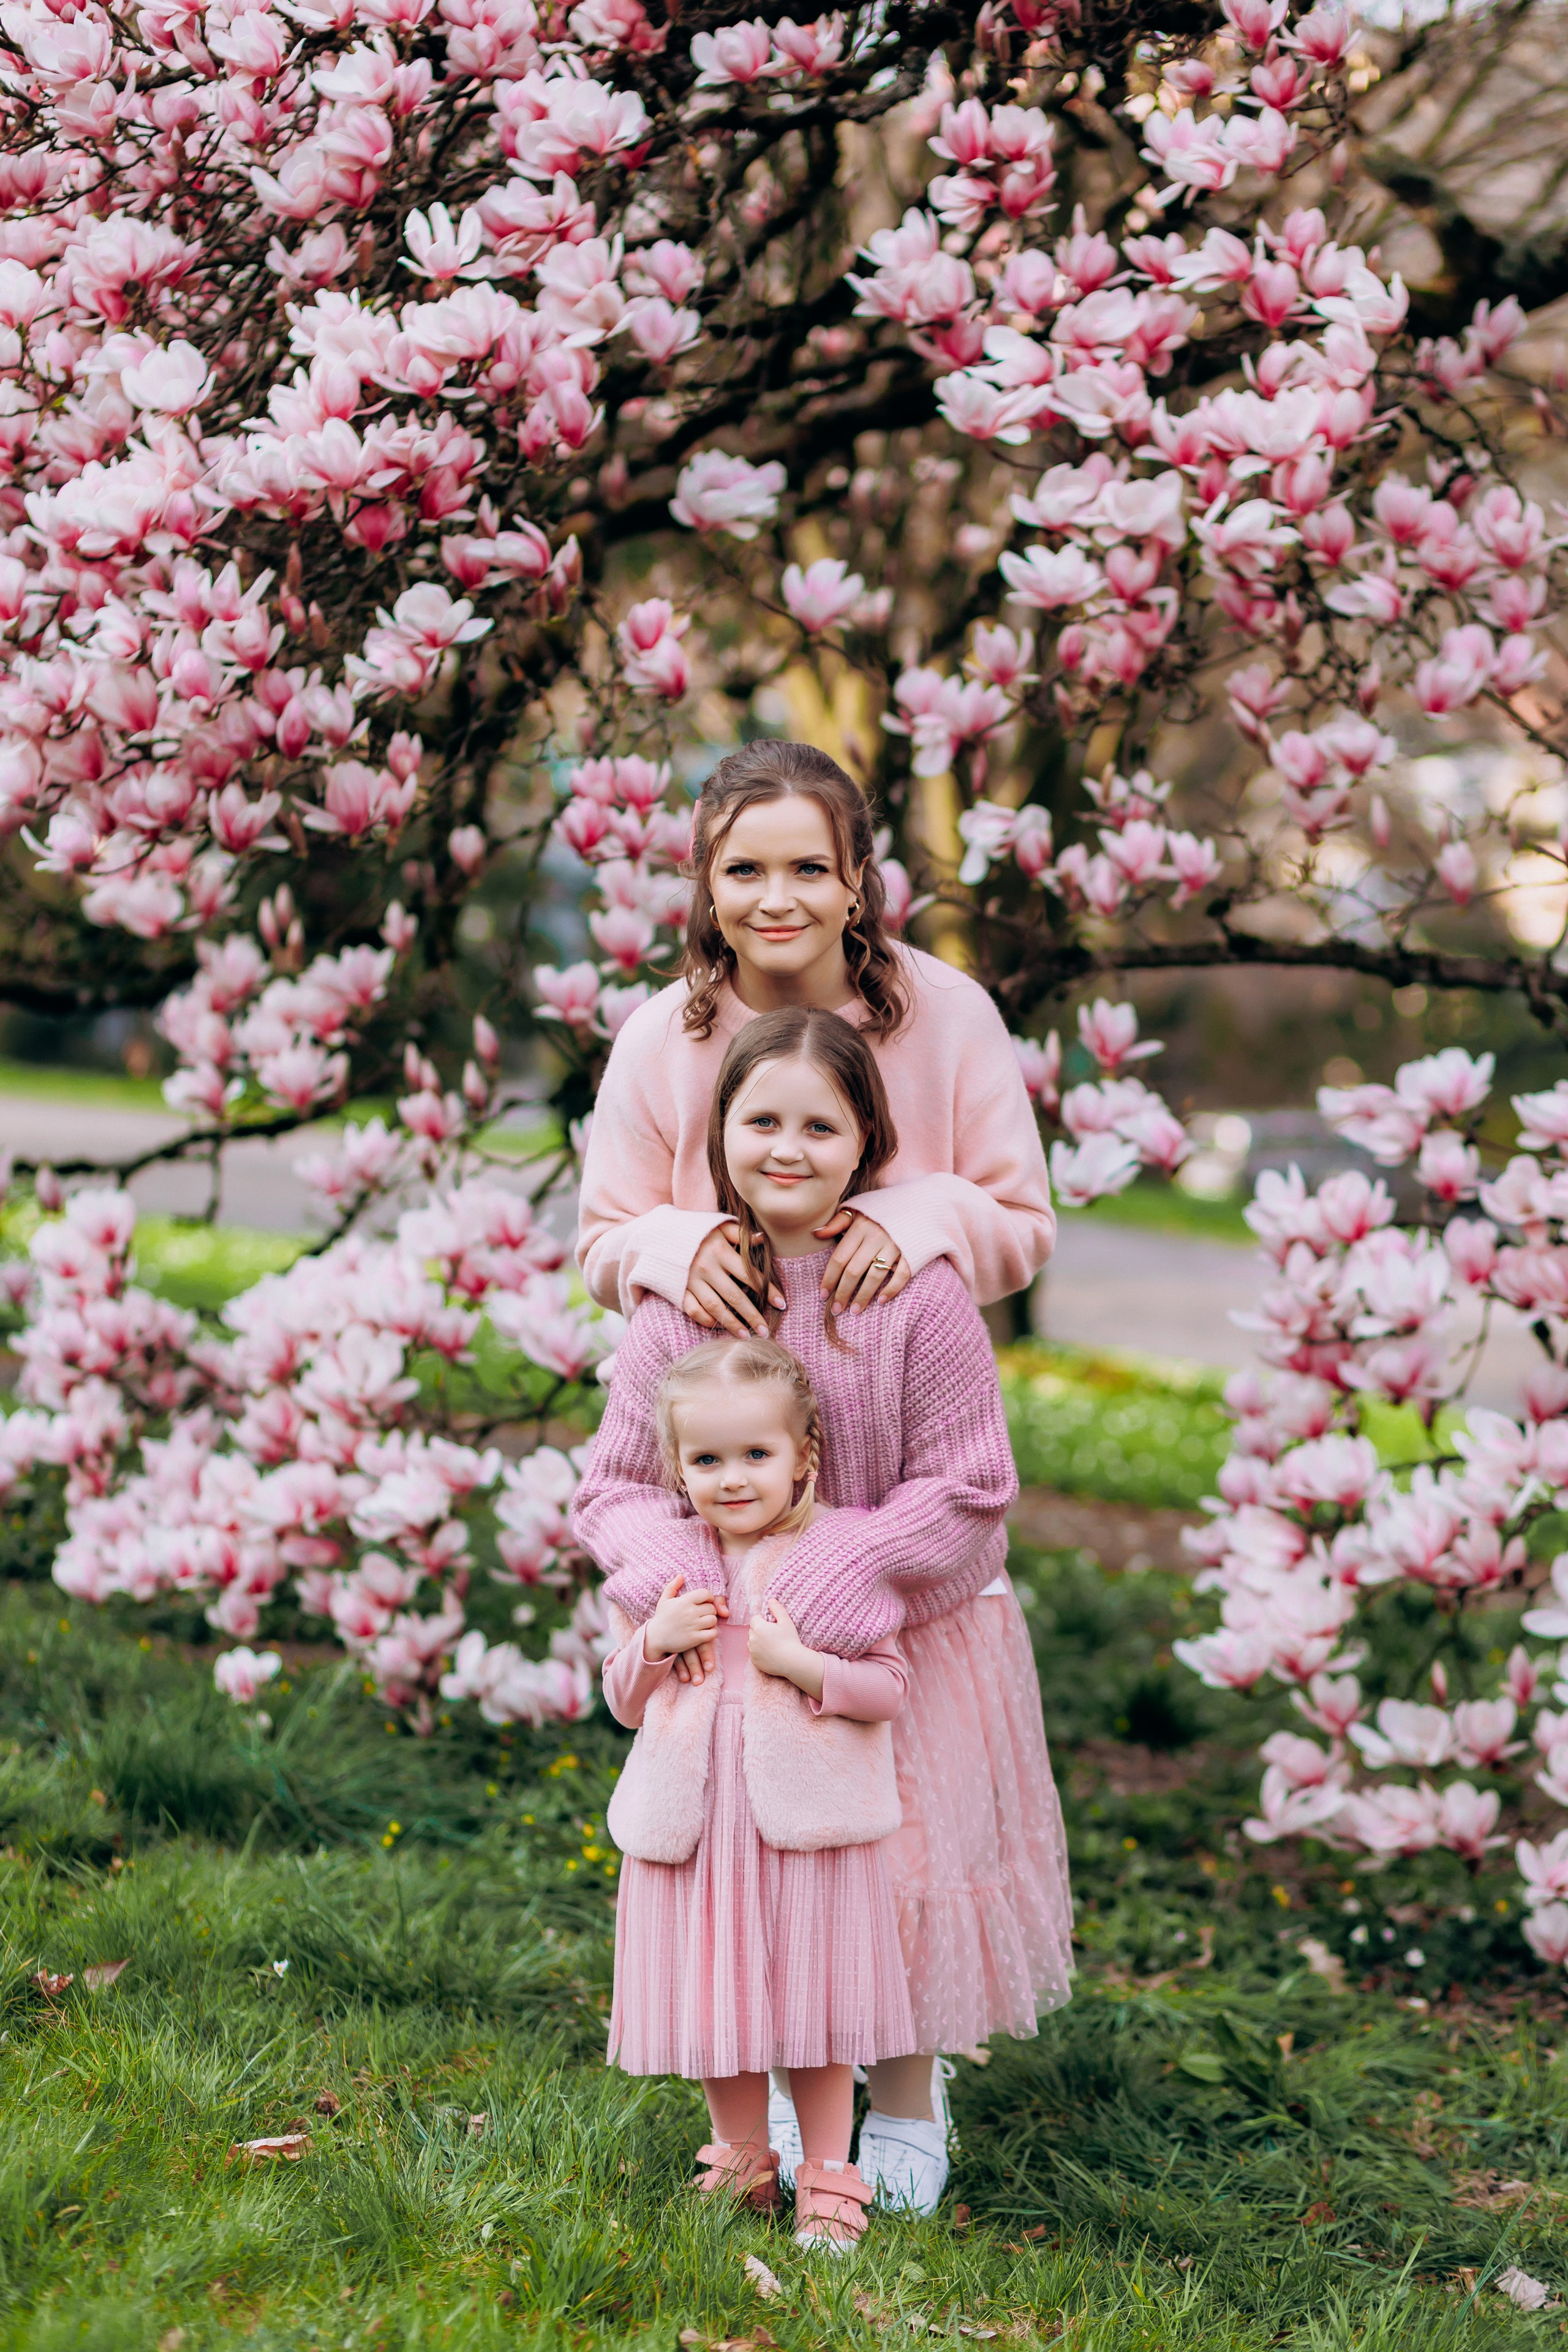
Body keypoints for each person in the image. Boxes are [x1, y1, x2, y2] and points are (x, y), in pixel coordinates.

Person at [573, 1005, 1072, 2218]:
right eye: (761, 1122)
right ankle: (784, 2109)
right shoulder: (687, 1297)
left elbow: (970, 1480)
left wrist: (837, 1573)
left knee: (899, 1868)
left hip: (908, 1618)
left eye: (819, 1126)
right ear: (719, 1138)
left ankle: (900, 2104)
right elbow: (618, 1485)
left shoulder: (911, 1290)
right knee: (772, 1879)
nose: (787, 1149)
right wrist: (686, 1585)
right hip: (738, 1654)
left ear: (866, 1143)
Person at [602, 1333, 913, 2254]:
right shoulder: (661, 1569)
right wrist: (653, 1642)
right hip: (700, 1824)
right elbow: (623, 1702)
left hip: (803, 1826)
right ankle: (741, 2161)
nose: (732, 1478)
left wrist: (800, 1664)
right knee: (717, 2001)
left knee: (813, 2006)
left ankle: (828, 2176)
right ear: (676, 1467)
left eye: (755, 1454)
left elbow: (888, 1689)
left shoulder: (840, 1559)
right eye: (706, 1460)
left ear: (802, 1456)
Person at [576, 736, 1055, 1332]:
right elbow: (604, 1243)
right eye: (744, 871)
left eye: (810, 869)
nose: (777, 902)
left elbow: (1023, 1227)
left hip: (898, 1378)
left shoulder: (953, 1016)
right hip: (706, 1381)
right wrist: (676, 1249)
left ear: (855, 879)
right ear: (708, 883)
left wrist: (924, 1215)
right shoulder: (658, 1039)